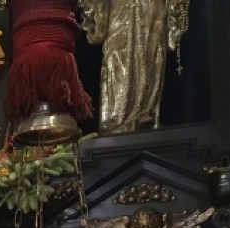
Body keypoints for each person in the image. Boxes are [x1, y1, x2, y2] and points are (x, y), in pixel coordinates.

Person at [79, 0, 189, 134]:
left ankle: (145, 115)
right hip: (119, 14)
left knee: (150, 60)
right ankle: (115, 121)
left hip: (151, 12)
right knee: (117, 60)